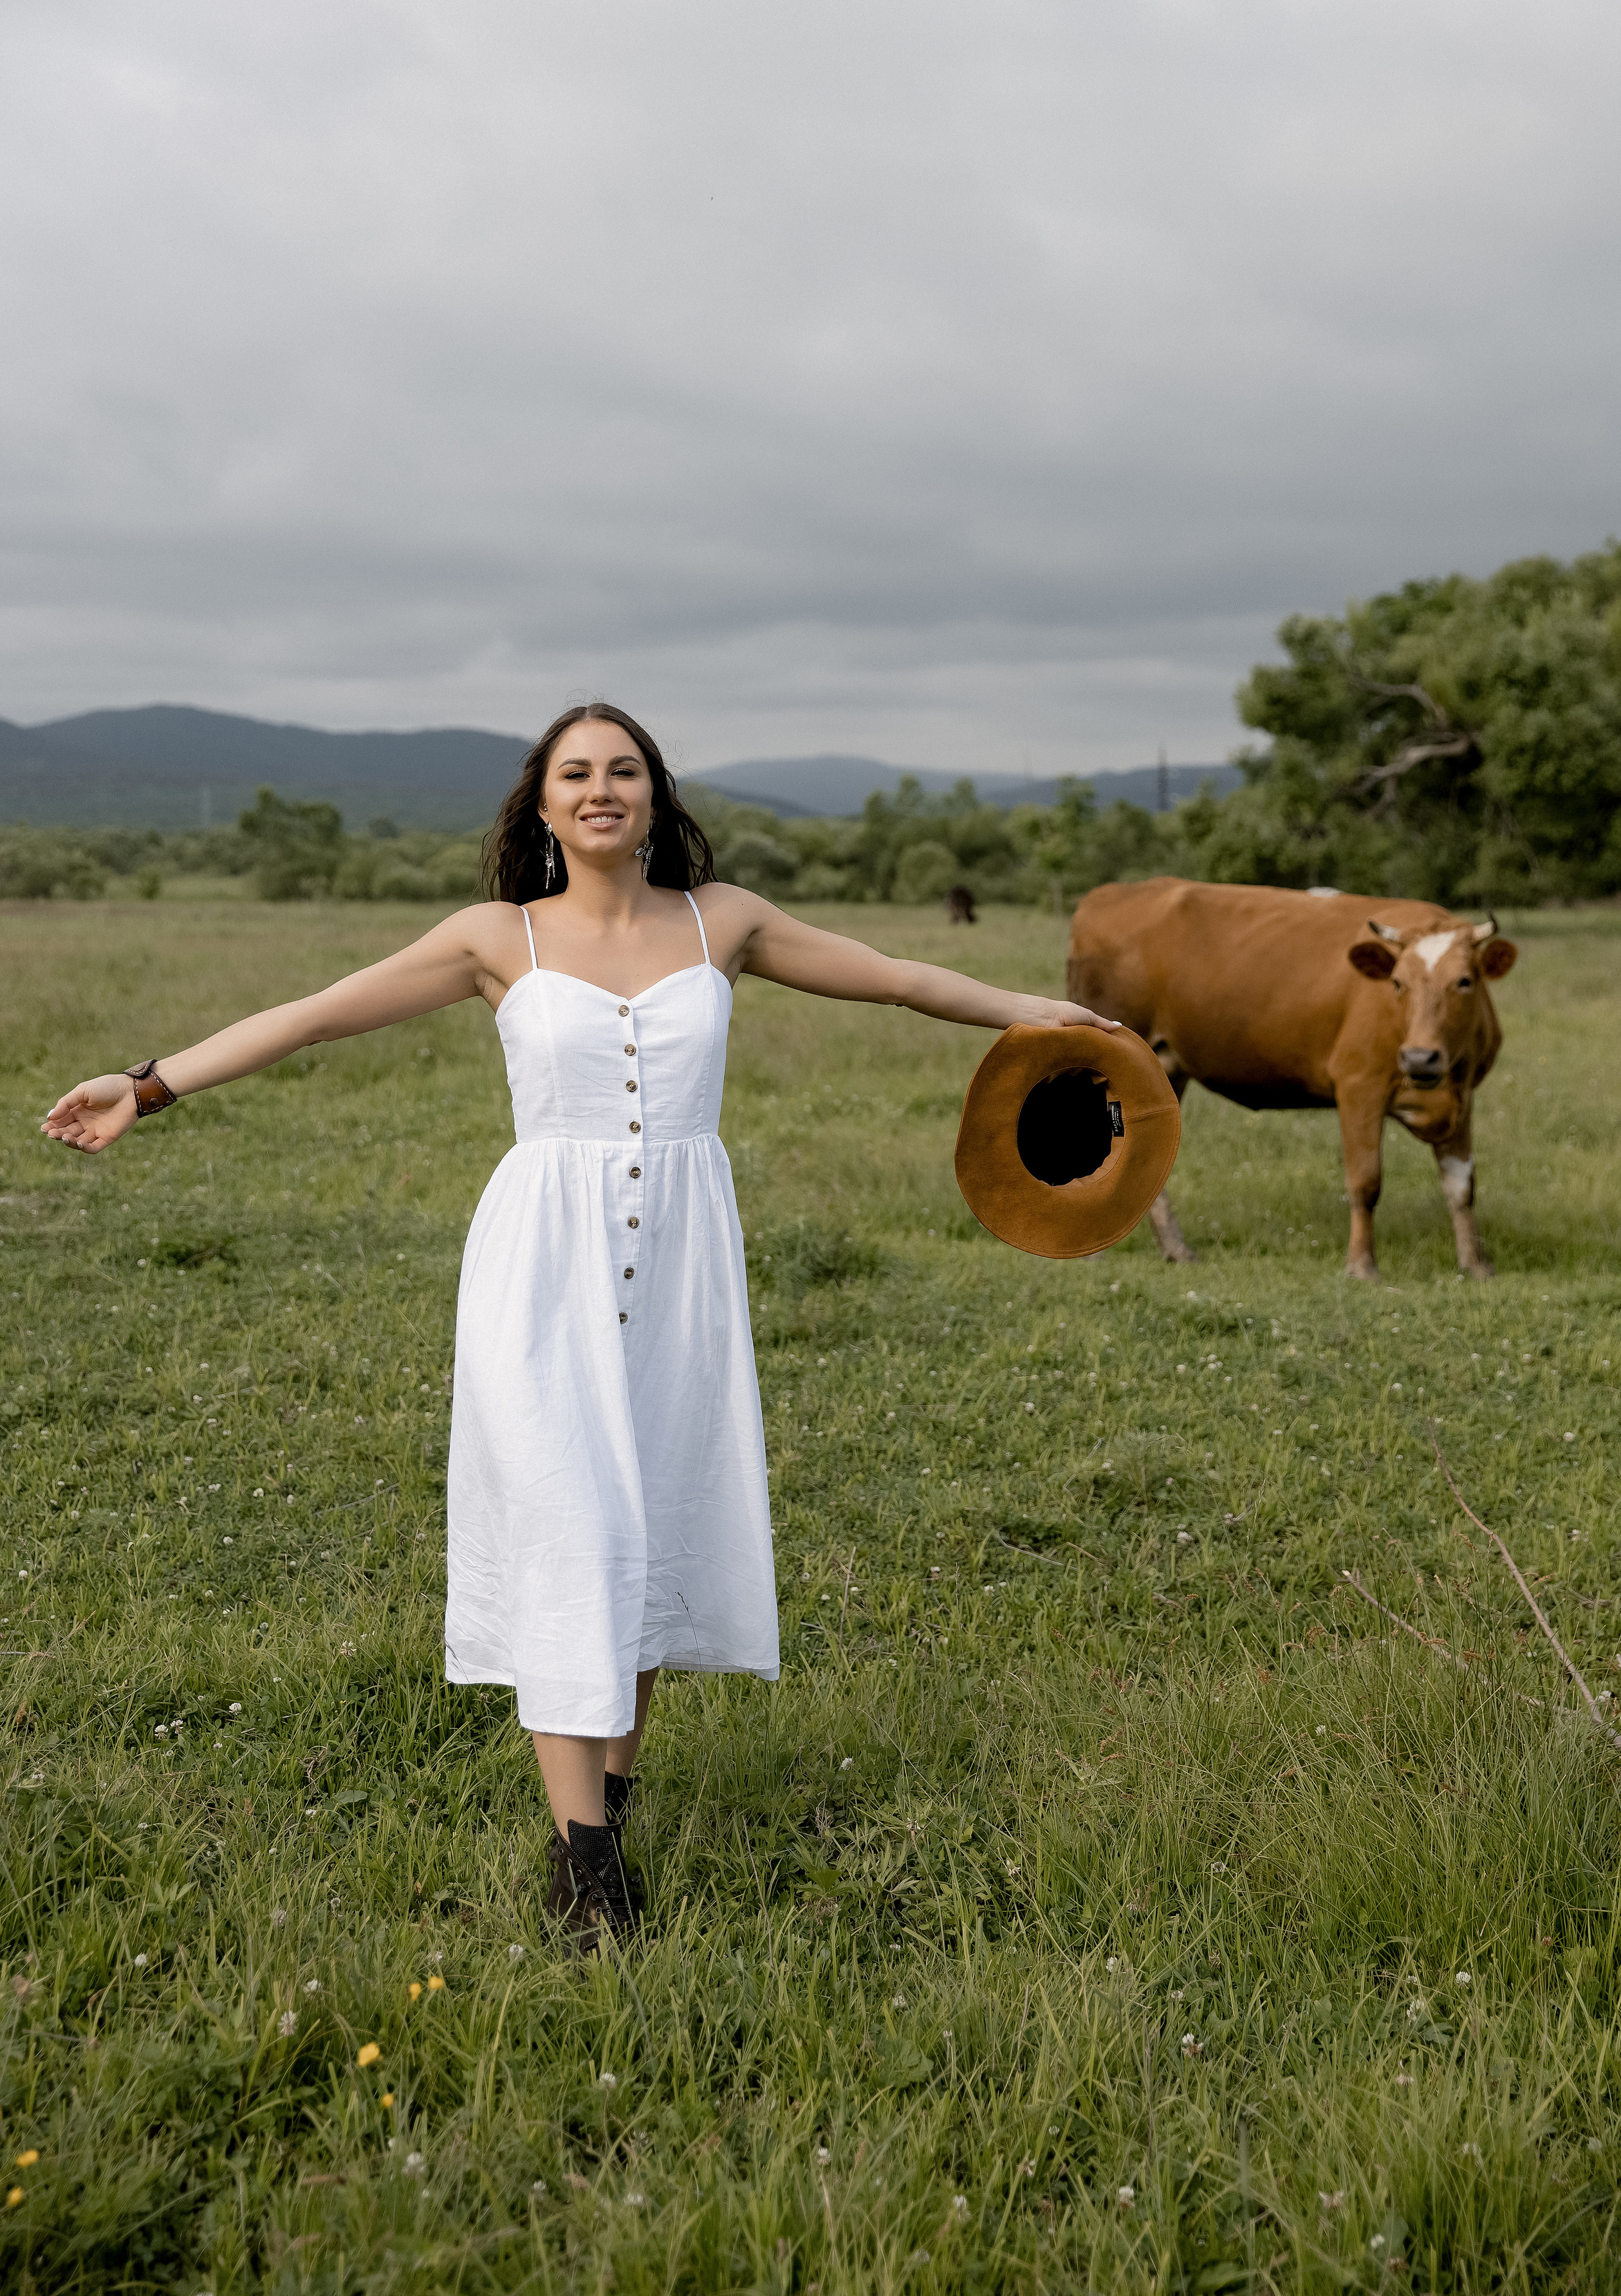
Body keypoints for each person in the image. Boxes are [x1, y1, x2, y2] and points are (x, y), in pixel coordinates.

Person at [41, 703, 1110, 1950]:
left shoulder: (724, 922)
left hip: (683, 1272)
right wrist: (149, 1083)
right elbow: (319, 1012)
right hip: (542, 1265)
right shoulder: (496, 937)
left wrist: (1036, 1011)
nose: (601, 788)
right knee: (572, 1527)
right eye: (576, 773)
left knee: (645, 1526)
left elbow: (901, 978)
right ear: (542, 805)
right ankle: (588, 1871)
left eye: (624, 770)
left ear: (654, 795)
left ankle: (606, 1801)